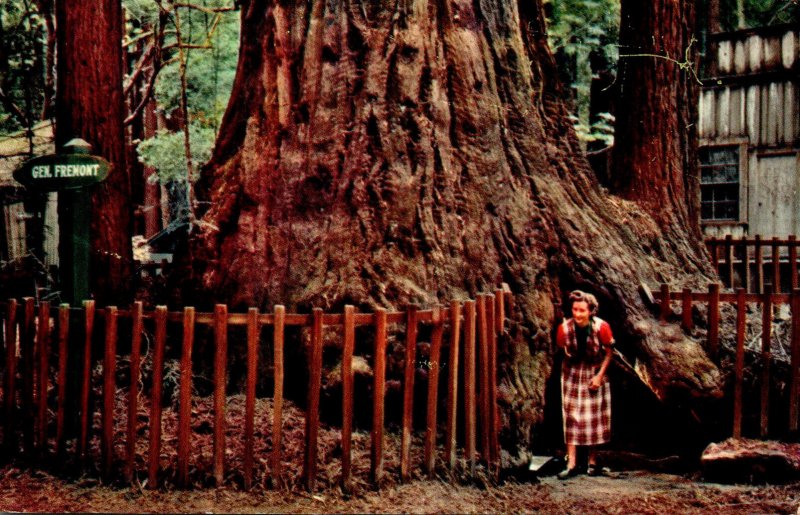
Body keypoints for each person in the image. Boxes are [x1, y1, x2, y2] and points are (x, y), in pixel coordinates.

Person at [556, 290, 614, 479]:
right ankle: (571, 463)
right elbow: (562, 347)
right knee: (571, 416)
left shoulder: (601, 327)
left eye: (582, 310)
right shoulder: (566, 327)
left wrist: (599, 376)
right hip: (572, 372)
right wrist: (563, 332)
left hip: (594, 370)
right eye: (575, 310)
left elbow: (609, 353)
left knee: (594, 417)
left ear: (590, 311)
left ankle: (593, 462)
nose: (578, 314)